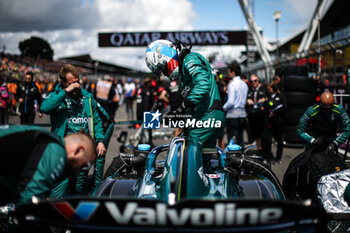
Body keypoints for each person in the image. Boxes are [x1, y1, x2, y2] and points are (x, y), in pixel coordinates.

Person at [145, 39, 225, 148]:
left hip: (207, 116)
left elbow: (202, 86)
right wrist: (179, 114)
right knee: (202, 160)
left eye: (163, 69)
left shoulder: (190, 59)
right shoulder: (184, 70)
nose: (165, 74)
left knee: (183, 155)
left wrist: (182, 107)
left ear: (166, 58)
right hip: (203, 116)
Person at [40, 64, 106, 193]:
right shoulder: (57, 96)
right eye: (71, 83)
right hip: (63, 153)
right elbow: (44, 108)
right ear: (63, 82)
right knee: (59, 189)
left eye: (77, 82)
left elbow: (97, 121)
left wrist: (100, 141)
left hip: (83, 153)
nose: (76, 86)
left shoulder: (87, 97)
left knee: (79, 188)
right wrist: (66, 92)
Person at [0, 125, 96, 206]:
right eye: (85, 165)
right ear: (78, 150)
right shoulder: (56, 151)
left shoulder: (45, 139)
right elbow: (29, 199)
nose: (79, 172)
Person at [222, 62, 248, 149]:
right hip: (242, 114)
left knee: (232, 141)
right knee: (241, 140)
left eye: (229, 72)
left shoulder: (232, 84)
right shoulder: (244, 84)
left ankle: (234, 160)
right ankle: (242, 159)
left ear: (233, 72)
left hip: (233, 115)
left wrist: (222, 108)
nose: (229, 74)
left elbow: (231, 102)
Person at [246, 74, 268, 155]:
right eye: (251, 81)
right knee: (256, 135)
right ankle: (259, 150)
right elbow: (246, 102)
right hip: (253, 116)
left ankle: (264, 152)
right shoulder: (249, 90)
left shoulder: (264, 89)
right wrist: (248, 101)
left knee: (263, 135)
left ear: (258, 81)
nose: (253, 83)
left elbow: (268, 99)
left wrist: (264, 101)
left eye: (255, 81)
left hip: (262, 116)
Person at [264, 84, 287, 163]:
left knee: (279, 139)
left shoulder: (281, 96)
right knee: (268, 139)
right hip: (269, 121)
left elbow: (284, 108)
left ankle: (278, 157)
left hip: (278, 121)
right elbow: (266, 106)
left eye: (269, 88)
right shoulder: (268, 96)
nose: (268, 89)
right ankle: (268, 157)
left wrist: (275, 113)